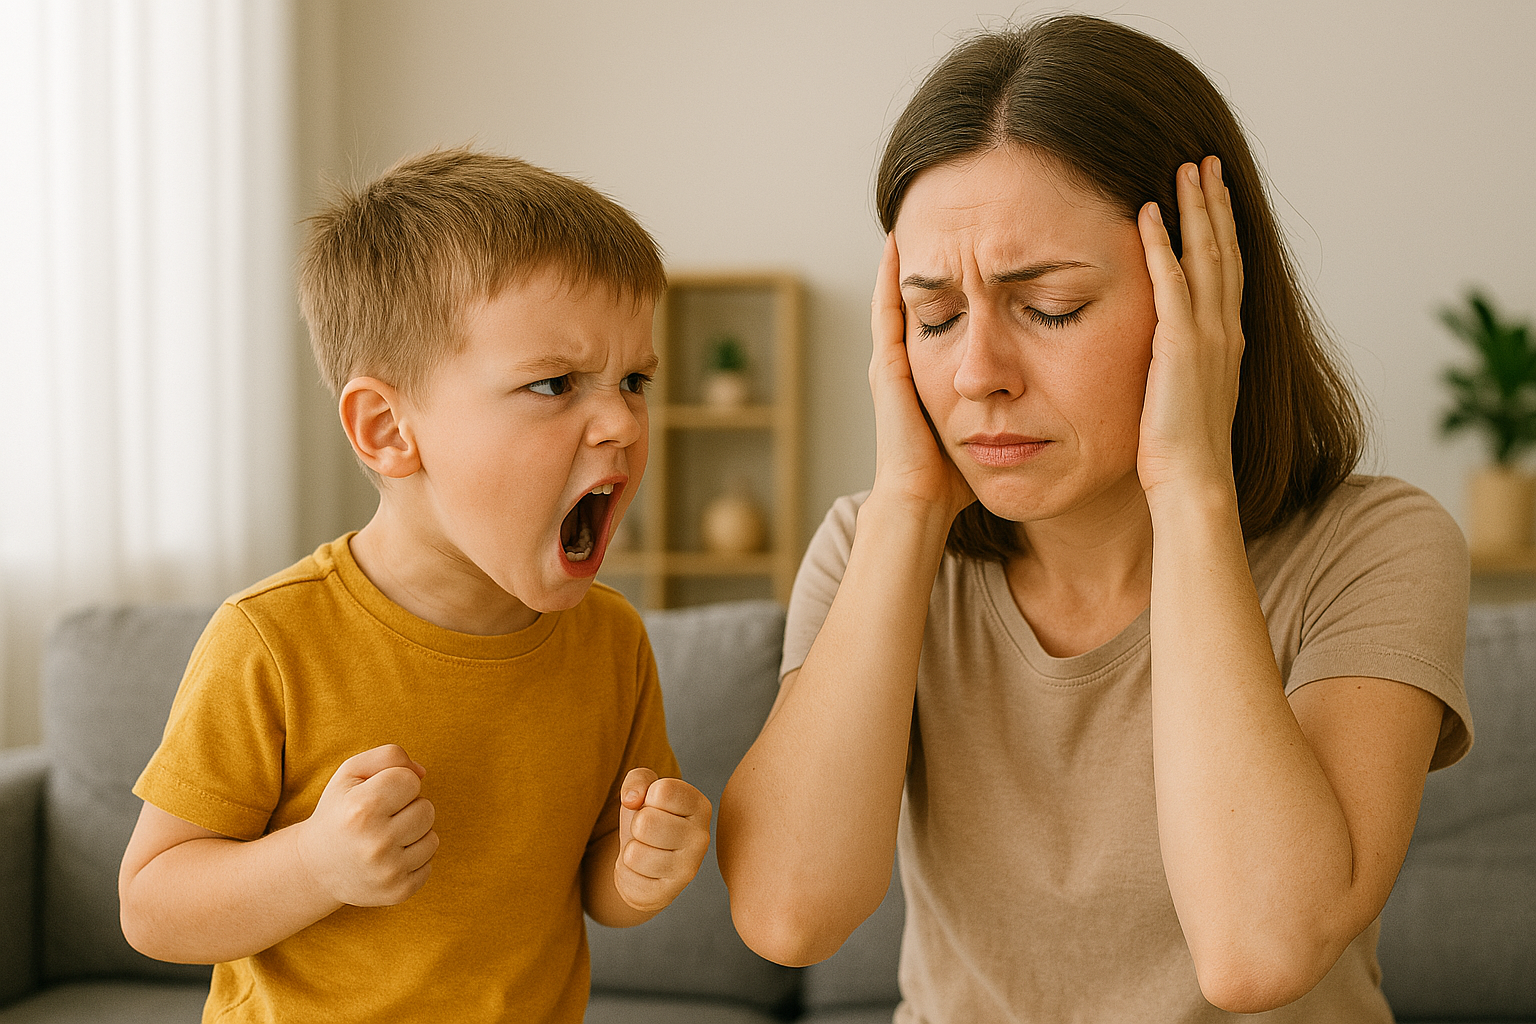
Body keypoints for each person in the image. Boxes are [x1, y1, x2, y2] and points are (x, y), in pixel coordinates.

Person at [717, 15, 1471, 1023]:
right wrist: (905, 505)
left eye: (1052, 307)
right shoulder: (872, 547)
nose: (977, 374)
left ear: (1206, 296)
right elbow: (785, 913)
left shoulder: (1374, 547)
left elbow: (1259, 951)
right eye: (934, 317)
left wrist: (1191, 487)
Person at [118, 147, 713, 1024]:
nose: (623, 421)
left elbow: (595, 879)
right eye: (554, 383)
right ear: (389, 429)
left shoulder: (611, 640)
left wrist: (641, 868)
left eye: (634, 380)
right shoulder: (272, 641)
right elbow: (151, 906)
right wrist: (316, 864)